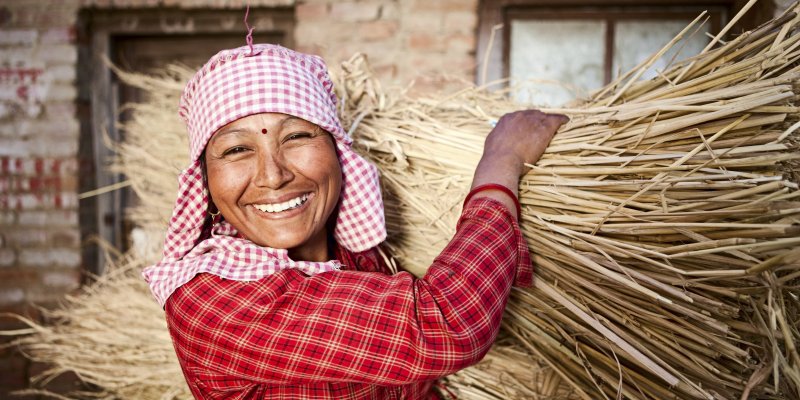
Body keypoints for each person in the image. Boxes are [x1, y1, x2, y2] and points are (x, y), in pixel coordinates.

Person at [143, 43, 567, 400]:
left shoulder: (355, 250)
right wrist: (502, 160)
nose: (272, 175)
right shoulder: (214, 300)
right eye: (236, 150)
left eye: (297, 136)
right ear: (204, 182)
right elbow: (446, 325)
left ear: (338, 153)